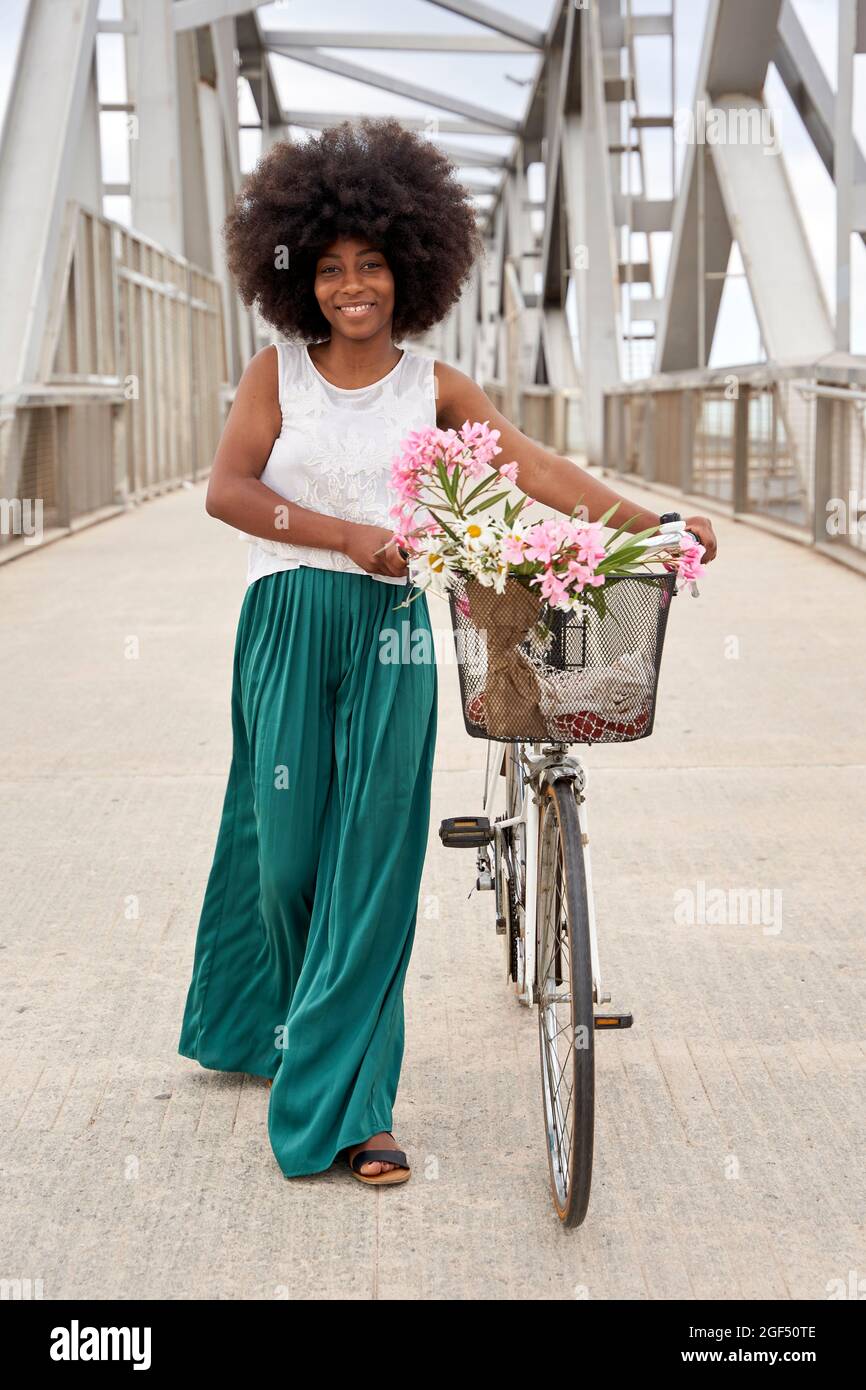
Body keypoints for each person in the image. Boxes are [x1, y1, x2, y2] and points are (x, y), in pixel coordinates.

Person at [177, 117, 718, 1188]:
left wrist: (646, 523)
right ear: (299, 277)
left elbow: (533, 470)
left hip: (390, 641)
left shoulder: (435, 388)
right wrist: (342, 536)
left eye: (369, 264)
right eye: (328, 268)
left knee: (372, 871)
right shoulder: (274, 373)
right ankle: (280, 1022)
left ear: (408, 266)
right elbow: (226, 492)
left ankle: (354, 1107)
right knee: (285, 858)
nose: (350, 286)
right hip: (287, 621)